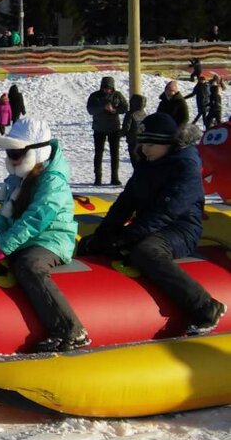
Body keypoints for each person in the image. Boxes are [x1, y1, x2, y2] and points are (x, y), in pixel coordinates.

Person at [78, 112, 227, 335]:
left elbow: (167, 212)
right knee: (94, 243)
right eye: (142, 143)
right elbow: (125, 203)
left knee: (146, 252)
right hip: (149, 225)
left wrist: (128, 237)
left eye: (150, 144)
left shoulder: (185, 167)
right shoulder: (148, 164)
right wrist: (104, 234)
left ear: (168, 144)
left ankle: (205, 306)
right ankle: (84, 306)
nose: (144, 149)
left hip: (180, 228)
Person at [0, 117, 86, 352]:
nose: (11, 158)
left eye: (16, 153)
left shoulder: (53, 182)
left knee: (29, 266)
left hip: (52, 239)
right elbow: (4, 215)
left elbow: (36, 218)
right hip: (27, 238)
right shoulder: (18, 180)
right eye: (9, 153)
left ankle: (70, 330)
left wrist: (4, 246)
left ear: (36, 153)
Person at [85, 76, 128, 186]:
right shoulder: (95, 96)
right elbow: (90, 110)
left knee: (115, 154)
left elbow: (125, 107)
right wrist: (103, 107)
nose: (107, 90)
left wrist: (114, 110)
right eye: (105, 88)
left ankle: (115, 178)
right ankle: (98, 178)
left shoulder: (117, 95)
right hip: (99, 128)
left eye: (109, 88)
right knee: (98, 154)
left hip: (114, 128)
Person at [122, 94, 147, 168]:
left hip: (132, 140)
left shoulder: (130, 114)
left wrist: (119, 134)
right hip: (142, 141)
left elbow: (126, 127)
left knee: (135, 163)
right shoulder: (143, 113)